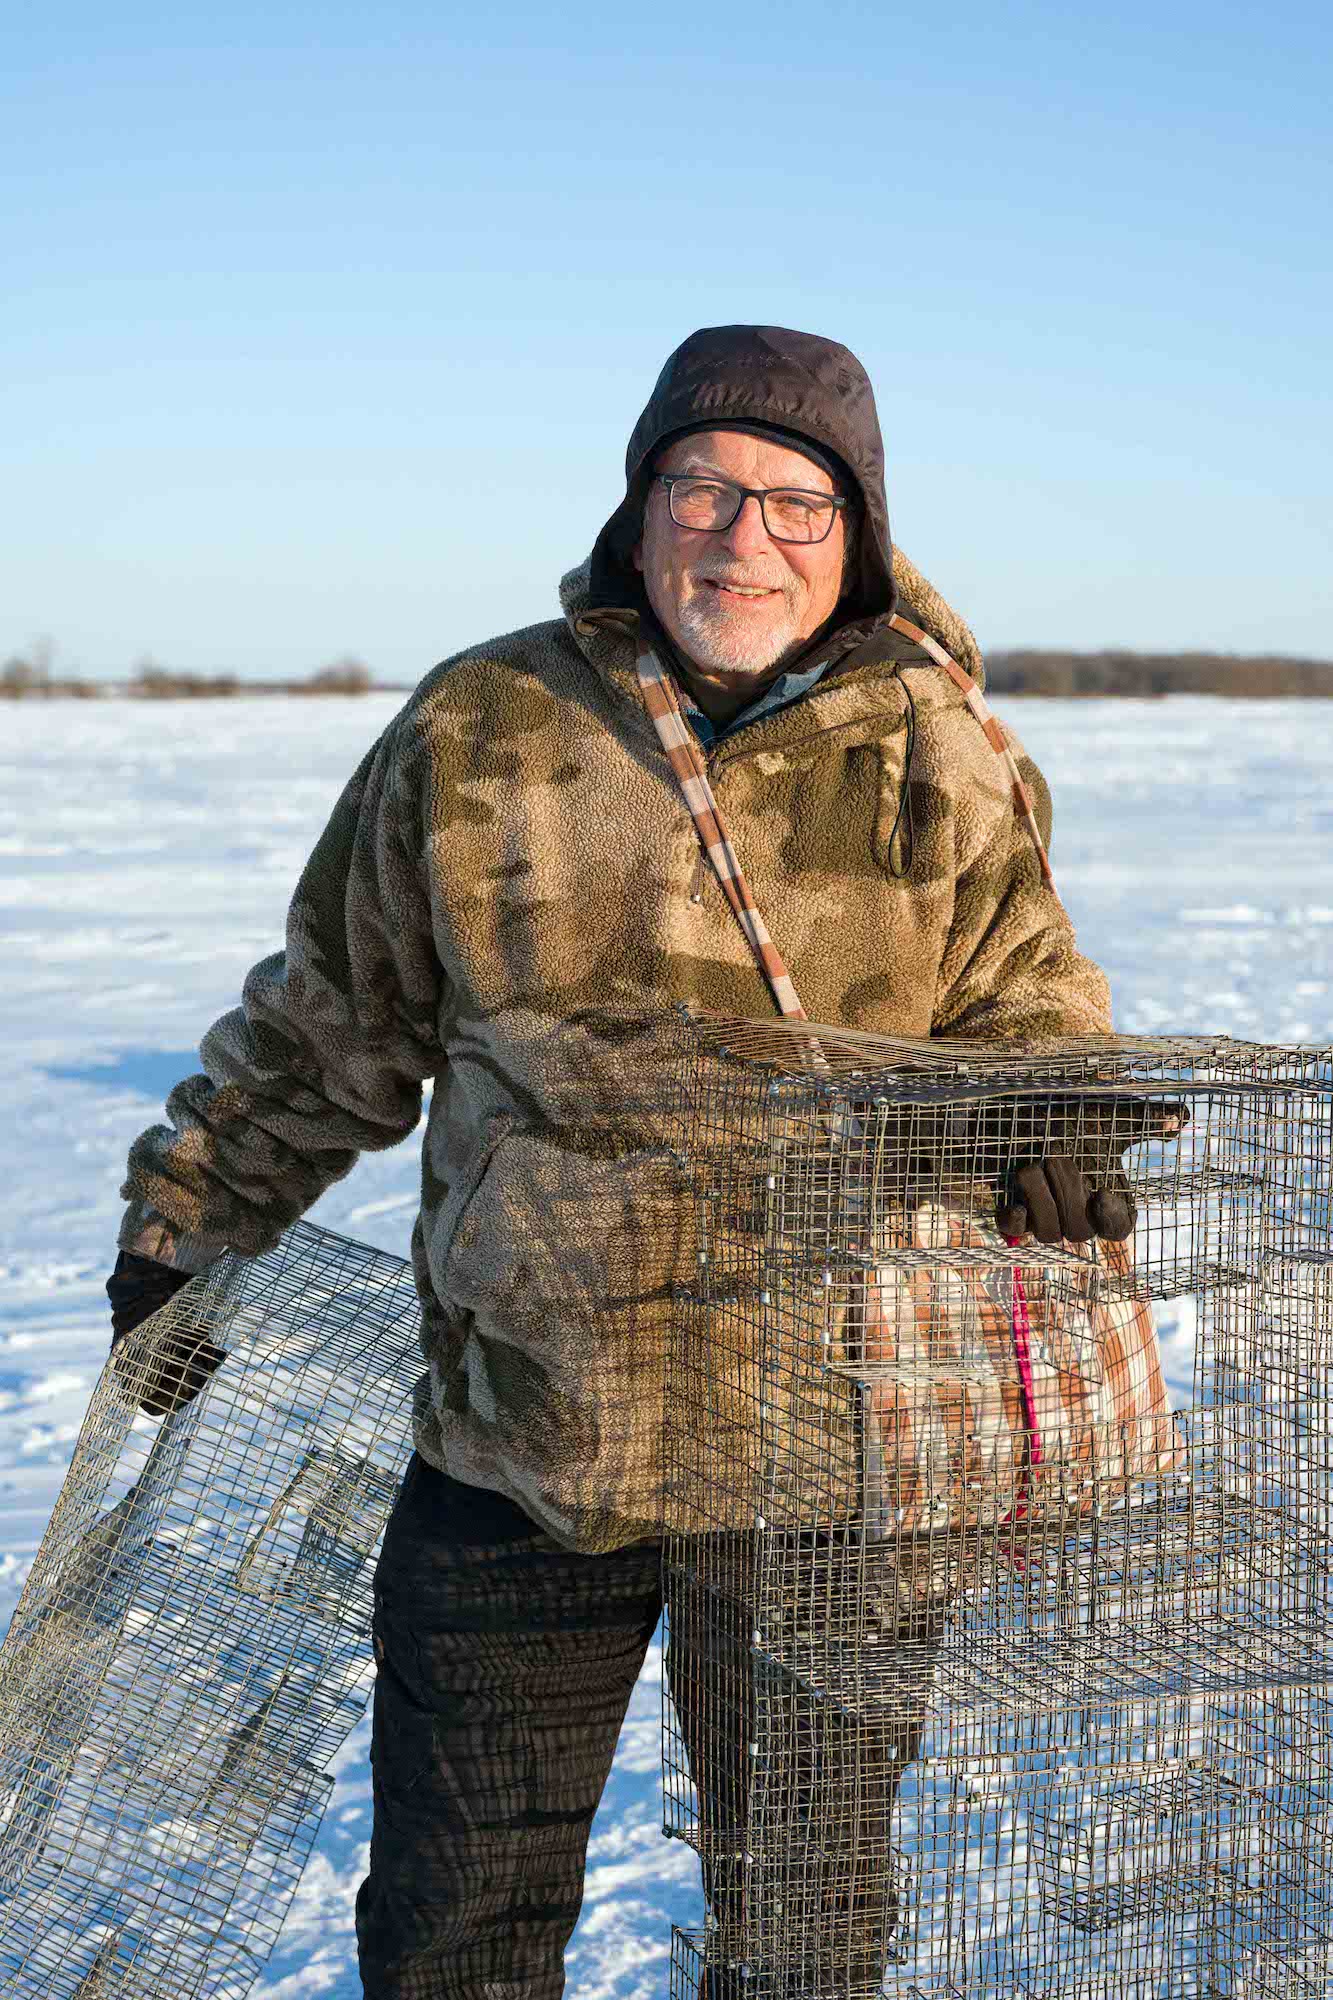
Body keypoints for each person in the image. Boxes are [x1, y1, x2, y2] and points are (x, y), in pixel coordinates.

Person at [106, 325, 1130, 1997]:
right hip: (525, 1432)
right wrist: (188, 1226)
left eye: (793, 505)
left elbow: (1024, 995)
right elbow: (330, 1017)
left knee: (800, 1938)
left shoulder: (937, 752)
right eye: (701, 488)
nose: (741, 538)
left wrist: (1046, 1112)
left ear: (856, 537)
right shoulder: (486, 722)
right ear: (640, 506)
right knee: (456, 1921)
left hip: (832, 1454)